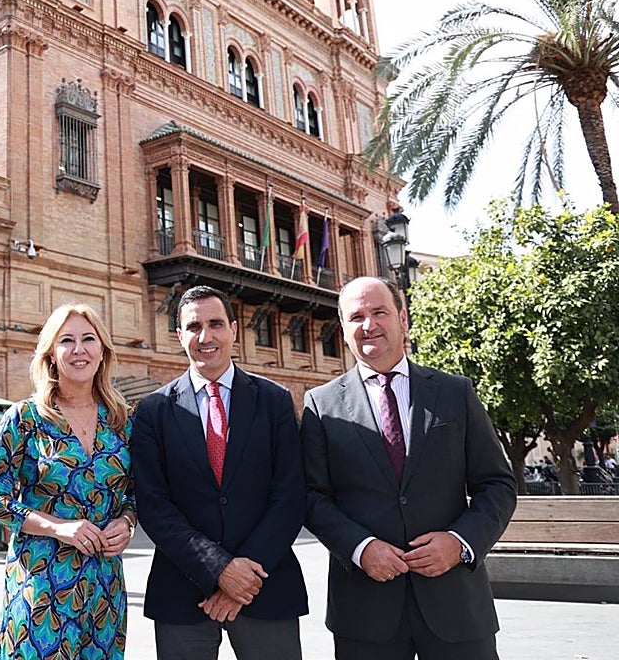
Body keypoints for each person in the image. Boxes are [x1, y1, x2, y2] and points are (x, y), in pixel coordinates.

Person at [300, 276, 517, 659]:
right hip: (365, 612)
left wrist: (460, 542)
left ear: (403, 318)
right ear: (344, 330)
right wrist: (361, 548)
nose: (369, 325)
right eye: (356, 317)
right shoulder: (321, 404)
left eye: (379, 312)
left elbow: (497, 484)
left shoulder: (455, 393)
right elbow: (312, 497)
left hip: (457, 606)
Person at [131, 285, 308, 660]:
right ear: (179, 336)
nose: (205, 336)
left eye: (215, 324)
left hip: (265, 585)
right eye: (194, 327)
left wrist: (242, 577)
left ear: (233, 329)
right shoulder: (153, 411)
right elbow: (153, 505)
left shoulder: (274, 400)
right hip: (182, 592)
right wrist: (219, 569)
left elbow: (290, 495)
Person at [0, 304, 137, 659]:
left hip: (105, 584)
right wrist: (57, 527)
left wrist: (126, 522)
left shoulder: (123, 421)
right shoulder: (25, 417)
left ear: (103, 351)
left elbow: (135, 492)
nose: (79, 349)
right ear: (52, 354)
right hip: (41, 583)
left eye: (88, 339)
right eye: (67, 340)